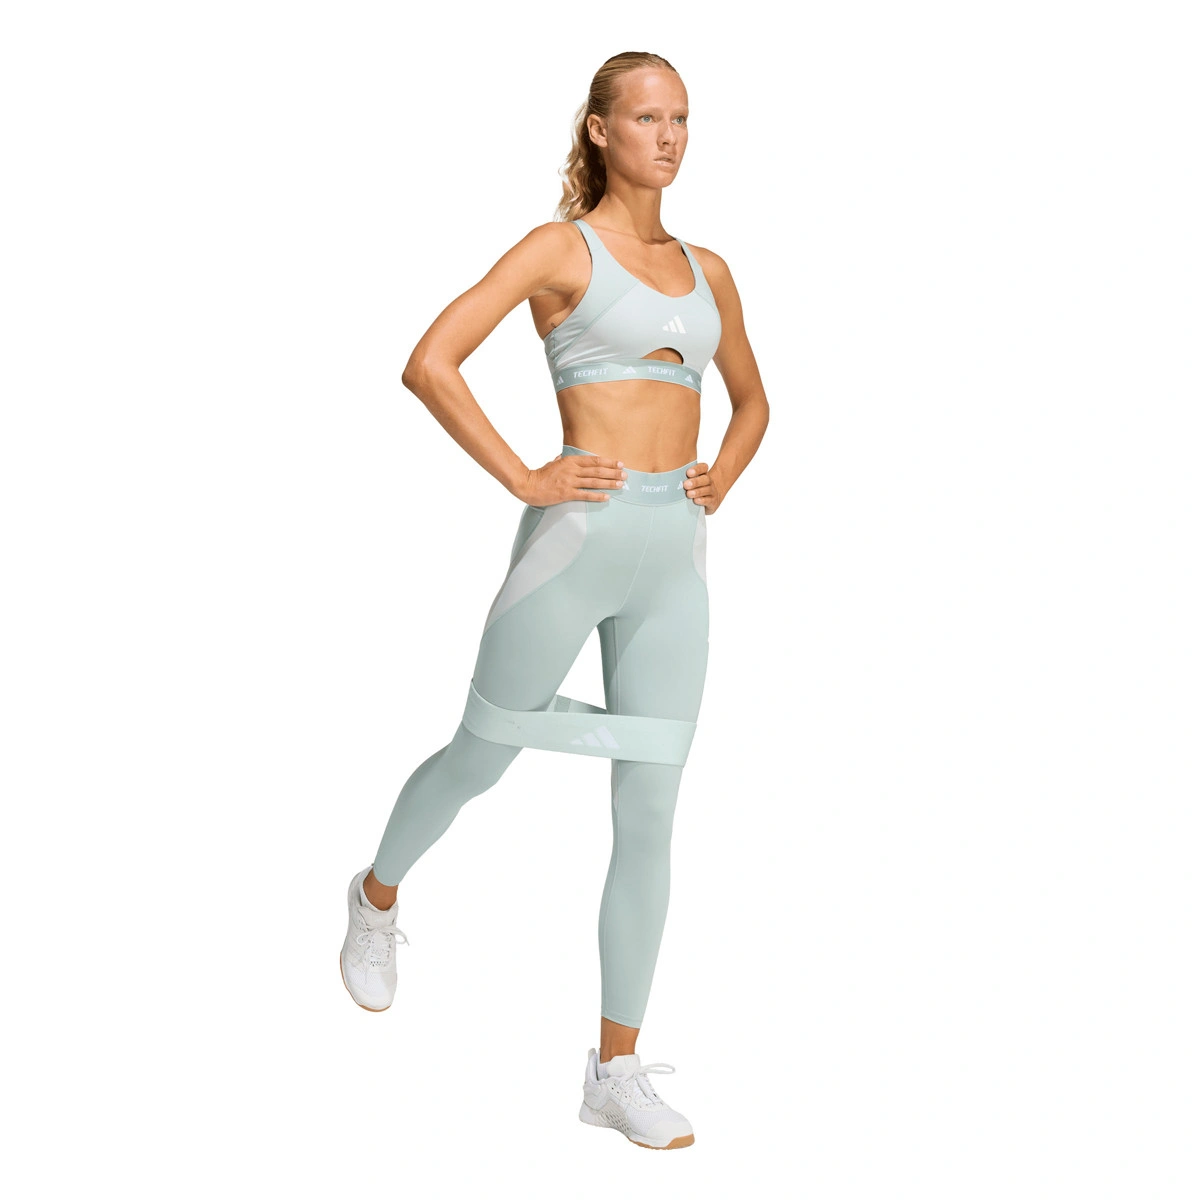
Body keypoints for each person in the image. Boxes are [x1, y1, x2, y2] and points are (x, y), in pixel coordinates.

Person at [339, 49, 769, 1150]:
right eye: (648, 118)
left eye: (682, 119)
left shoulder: (711, 269)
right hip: (573, 543)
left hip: (675, 561)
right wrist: (525, 478)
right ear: (599, 129)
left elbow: (755, 402)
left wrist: (724, 473)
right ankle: (377, 897)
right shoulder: (558, 249)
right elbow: (431, 361)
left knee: (651, 808)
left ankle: (613, 1071)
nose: (669, 137)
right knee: (482, 754)